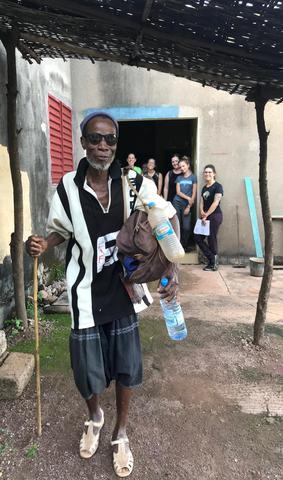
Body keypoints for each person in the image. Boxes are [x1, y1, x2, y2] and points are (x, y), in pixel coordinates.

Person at [26, 111, 178, 478]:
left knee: (127, 370)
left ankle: (120, 433)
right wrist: (46, 241)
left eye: (110, 139)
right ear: (83, 142)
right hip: (84, 292)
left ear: (116, 145)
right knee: (86, 372)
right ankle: (95, 415)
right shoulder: (67, 187)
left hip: (123, 290)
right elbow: (61, 229)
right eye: (96, 138)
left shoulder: (133, 182)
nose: (103, 146)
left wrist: (171, 269)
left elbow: (164, 219)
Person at [194, 164, 223, 271]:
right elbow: (201, 202)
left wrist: (206, 214)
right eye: (206, 172)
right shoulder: (204, 188)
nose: (207, 174)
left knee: (211, 239)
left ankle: (213, 264)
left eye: (210, 172)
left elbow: (216, 203)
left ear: (214, 174)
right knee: (197, 237)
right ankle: (212, 259)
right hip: (205, 217)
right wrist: (202, 212)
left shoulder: (218, 186)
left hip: (215, 216)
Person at [172, 156, 197, 252]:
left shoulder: (193, 177)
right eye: (180, 167)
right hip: (177, 202)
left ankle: (184, 244)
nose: (182, 168)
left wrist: (189, 206)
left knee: (186, 227)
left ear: (188, 165)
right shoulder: (179, 178)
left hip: (187, 205)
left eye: (183, 166)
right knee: (177, 225)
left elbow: (194, 193)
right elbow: (178, 192)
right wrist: (188, 198)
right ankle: (178, 245)